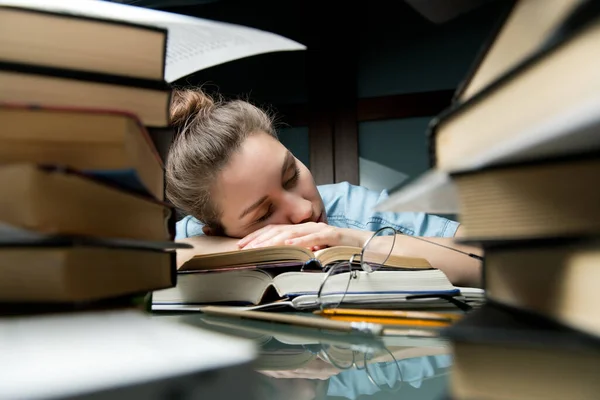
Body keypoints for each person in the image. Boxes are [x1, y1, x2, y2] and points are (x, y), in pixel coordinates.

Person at [166, 88, 482, 287]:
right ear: (214, 229)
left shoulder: (352, 209)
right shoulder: (191, 235)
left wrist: (352, 240)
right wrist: (267, 252)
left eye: (291, 176)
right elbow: (132, 264)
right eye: (264, 213)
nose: (304, 210)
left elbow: (490, 259)